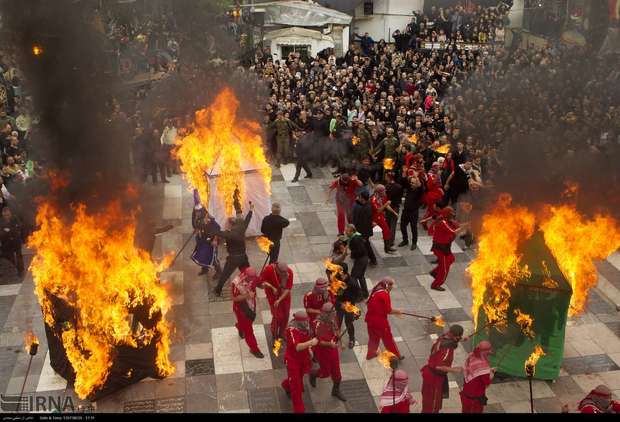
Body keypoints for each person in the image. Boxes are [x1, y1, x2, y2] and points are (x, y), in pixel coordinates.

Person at [420, 324, 464, 413]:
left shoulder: (444, 337)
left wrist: (462, 339)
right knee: (433, 401)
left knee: (431, 398)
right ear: (457, 336)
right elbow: (439, 366)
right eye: (460, 336)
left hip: (430, 373)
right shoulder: (447, 349)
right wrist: (455, 369)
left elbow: (453, 341)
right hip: (434, 378)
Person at [213, 202, 254, 296]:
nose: (226, 225)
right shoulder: (241, 228)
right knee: (246, 271)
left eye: (227, 223)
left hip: (233, 259)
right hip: (243, 256)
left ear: (231, 225)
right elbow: (247, 220)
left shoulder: (229, 234)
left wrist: (206, 227)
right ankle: (251, 285)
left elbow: (216, 232)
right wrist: (251, 210)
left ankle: (217, 290)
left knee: (225, 274)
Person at [308, 303, 347, 402]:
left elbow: (337, 330)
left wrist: (341, 342)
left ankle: (335, 391)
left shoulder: (333, 318)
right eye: (332, 313)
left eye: (334, 312)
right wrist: (330, 344)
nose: (335, 314)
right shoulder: (318, 324)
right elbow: (318, 341)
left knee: (337, 373)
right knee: (325, 373)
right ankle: (313, 374)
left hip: (333, 350)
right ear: (326, 314)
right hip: (322, 352)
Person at [281, 311, 318, 413]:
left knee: (298, 378)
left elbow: (308, 338)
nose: (307, 323)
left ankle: (286, 385)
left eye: (307, 320)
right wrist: (310, 343)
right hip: (293, 361)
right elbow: (297, 347)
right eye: (305, 321)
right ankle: (299, 410)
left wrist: (309, 349)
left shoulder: (306, 326)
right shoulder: (291, 330)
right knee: (296, 389)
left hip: (303, 359)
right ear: (299, 322)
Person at [365, 277, 403, 360]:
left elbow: (367, 303)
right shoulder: (384, 294)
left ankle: (370, 354)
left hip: (370, 320)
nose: (391, 288)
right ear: (387, 286)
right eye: (391, 286)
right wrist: (397, 312)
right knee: (388, 340)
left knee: (373, 339)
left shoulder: (376, 289)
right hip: (380, 323)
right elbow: (388, 310)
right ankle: (396, 355)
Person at [231, 267, 264, 358]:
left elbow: (260, 284)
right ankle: (254, 349)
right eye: (251, 278)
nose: (253, 280)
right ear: (246, 275)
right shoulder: (236, 283)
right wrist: (247, 295)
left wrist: (266, 284)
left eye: (254, 278)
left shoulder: (254, 277)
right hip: (241, 308)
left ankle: (240, 327)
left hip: (252, 305)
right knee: (249, 331)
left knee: (248, 323)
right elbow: (234, 298)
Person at [428, 206, 463, 291]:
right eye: (451, 215)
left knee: (451, 259)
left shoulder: (446, 220)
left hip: (445, 247)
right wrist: (462, 228)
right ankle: (435, 284)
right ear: (447, 214)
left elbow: (456, 225)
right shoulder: (442, 222)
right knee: (444, 270)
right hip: (440, 248)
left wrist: (467, 224)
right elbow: (453, 231)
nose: (452, 216)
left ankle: (435, 272)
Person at [259, 261, 293, 340]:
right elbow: (262, 281)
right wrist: (271, 286)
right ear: (277, 269)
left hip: (285, 295)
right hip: (273, 295)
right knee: (278, 315)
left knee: (286, 314)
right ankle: (274, 331)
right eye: (282, 273)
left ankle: (282, 332)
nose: (283, 274)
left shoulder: (289, 272)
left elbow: (288, 289)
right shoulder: (269, 269)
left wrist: (280, 300)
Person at [191, 191, 221, 276]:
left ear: (202, 211)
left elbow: (218, 228)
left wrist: (215, 239)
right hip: (201, 239)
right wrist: (196, 229)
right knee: (201, 254)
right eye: (196, 211)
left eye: (198, 211)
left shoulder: (208, 219)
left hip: (210, 241)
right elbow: (196, 225)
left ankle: (219, 272)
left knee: (213, 258)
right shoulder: (196, 216)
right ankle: (205, 269)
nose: (197, 213)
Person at [460, 340, 495, 413]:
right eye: (488, 351)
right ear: (485, 352)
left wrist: (488, 370)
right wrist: (491, 374)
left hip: (465, 392)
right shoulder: (484, 367)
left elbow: (475, 370)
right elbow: (487, 383)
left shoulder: (471, 355)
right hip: (474, 399)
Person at [398, 172, 424, 250]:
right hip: (405, 211)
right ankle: (405, 240)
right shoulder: (409, 188)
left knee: (413, 228)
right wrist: (404, 175)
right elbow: (403, 182)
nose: (411, 184)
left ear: (416, 183)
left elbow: (420, 186)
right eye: (411, 182)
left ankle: (414, 243)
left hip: (413, 212)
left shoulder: (419, 191)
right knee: (402, 226)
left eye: (413, 183)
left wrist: (416, 177)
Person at [344, 223, 370, 299]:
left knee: (353, 277)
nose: (346, 232)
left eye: (347, 231)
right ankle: (365, 293)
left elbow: (360, 250)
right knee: (360, 276)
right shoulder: (355, 236)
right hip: (363, 258)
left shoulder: (355, 239)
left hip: (361, 260)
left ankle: (359, 295)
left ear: (352, 231)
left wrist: (351, 253)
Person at [370, 184, 398, 253]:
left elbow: (386, 205)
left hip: (380, 216)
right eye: (383, 191)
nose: (385, 192)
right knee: (367, 232)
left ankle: (387, 248)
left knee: (386, 230)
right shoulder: (373, 199)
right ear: (379, 192)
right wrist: (386, 204)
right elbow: (378, 210)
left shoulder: (383, 196)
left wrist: (394, 212)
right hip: (373, 217)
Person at [352, 191, 377, 267]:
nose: (358, 197)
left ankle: (373, 259)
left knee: (366, 245)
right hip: (362, 230)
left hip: (363, 231)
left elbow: (365, 223)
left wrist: (363, 236)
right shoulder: (367, 204)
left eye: (359, 197)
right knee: (362, 244)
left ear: (362, 198)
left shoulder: (365, 209)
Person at [0, 207, 24, 277]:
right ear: (2, 214)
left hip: (16, 241)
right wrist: (4, 231)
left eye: (7, 214)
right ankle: (13, 270)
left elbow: (19, 227)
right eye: (5, 214)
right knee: (10, 257)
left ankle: (20, 270)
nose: (6, 215)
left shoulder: (15, 219)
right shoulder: (1, 221)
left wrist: (10, 229)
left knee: (19, 256)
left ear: (10, 213)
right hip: (6, 242)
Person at [384, 172, 403, 245]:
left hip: (388, 207)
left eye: (386, 176)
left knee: (388, 224)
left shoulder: (387, 187)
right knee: (393, 225)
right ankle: (391, 241)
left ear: (389, 177)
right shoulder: (399, 186)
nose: (385, 178)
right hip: (396, 207)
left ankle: (387, 238)